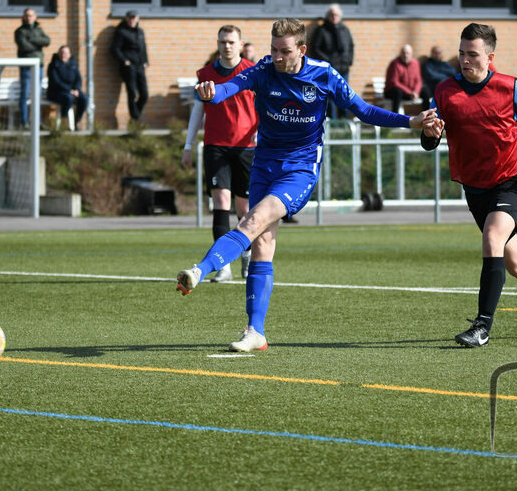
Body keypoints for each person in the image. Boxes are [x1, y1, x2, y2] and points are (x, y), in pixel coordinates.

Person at [175, 18, 436, 352]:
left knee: (252, 221)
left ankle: (200, 270)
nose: (277, 57)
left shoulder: (323, 74)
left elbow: (362, 110)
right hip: (264, 166)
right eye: (273, 49)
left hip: (299, 170)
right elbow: (230, 87)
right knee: (262, 245)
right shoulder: (264, 69)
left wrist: (409, 121)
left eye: (284, 51)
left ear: (302, 49)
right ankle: (255, 332)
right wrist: (212, 93)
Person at [420, 23, 517, 348]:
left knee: (492, 237)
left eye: (473, 55)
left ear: (490, 57)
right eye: (462, 53)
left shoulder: (511, 88)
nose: (465, 60)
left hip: (512, 181)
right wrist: (429, 135)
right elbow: (429, 141)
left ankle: (482, 326)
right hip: (475, 188)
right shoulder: (444, 91)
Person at [181, 25, 258, 282]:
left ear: (240, 43)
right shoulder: (206, 74)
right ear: (218, 43)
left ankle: (246, 259)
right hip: (216, 146)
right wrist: (188, 146)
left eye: (231, 42)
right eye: (223, 41)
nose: (227, 46)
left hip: (247, 146)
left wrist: (263, 133)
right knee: (221, 204)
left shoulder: (251, 70)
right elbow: (197, 112)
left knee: (244, 208)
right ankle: (222, 266)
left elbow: (264, 105)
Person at [309, 4, 354, 118]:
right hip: (328, 70)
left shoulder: (345, 30)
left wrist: (349, 60)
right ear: (328, 16)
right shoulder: (322, 30)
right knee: (329, 96)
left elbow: (350, 46)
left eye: (336, 15)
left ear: (340, 16)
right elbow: (315, 49)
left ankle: (344, 121)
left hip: (343, 69)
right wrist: (328, 62)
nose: (334, 17)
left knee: (343, 94)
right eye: (331, 14)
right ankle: (332, 122)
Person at [14, 8, 51, 129]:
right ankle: (24, 122)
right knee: (25, 93)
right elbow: (24, 46)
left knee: (37, 94)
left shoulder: (39, 30)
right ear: (23, 17)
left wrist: (33, 40)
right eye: (27, 16)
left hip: (38, 66)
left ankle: (37, 121)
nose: (29, 18)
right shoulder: (20, 31)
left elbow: (47, 40)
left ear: (35, 17)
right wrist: (38, 45)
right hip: (26, 66)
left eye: (31, 15)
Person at [111, 10, 149, 121]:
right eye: (130, 18)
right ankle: (135, 118)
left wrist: (145, 61)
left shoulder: (140, 32)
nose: (132, 20)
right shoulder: (121, 31)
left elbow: (143, 48)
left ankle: (135, 116)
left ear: (137, 19)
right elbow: (115, 49)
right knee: (132, 92)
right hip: (129, 67)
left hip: (140, 66)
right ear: (126, 18)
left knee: (144, 94)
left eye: (134, 18)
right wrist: (124, 60)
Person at [46, 45, 87, 129]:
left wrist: (77, 89)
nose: (63, 55)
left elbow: (78, 79)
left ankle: (77, 120)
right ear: (58, 54)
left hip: (72, 91)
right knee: (68, 98)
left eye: (65, 53)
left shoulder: (73, 65)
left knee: (84, 99)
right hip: (57, 92)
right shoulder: (53, 65)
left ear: (69, 54)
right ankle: (64, 120)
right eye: (61, 53)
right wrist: (69, 90)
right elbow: (56, 82)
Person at [384, 43, 422, 114]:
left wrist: (416, 92)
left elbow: (418, 80)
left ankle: (427, 117)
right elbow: (394, 82)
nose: (406, 55)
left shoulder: (415, 63)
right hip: (392, 92)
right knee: (398, 92)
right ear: (400, 53)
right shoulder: (395, 63)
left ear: (411, 54)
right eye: (404, 53)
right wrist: (410, 92)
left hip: (410, 93)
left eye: (408, 53)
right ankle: (395, 117)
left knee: (425, 90)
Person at [420, 45, 456, 110]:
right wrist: (445, 76)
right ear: (431, 54)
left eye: (439, 53)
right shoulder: (427, 64)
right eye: (435, 53)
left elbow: (453, 72)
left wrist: (438, 70)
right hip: (432, 88)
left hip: (445, 87)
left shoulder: (444, 64)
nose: (437, 55)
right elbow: (431, 76)